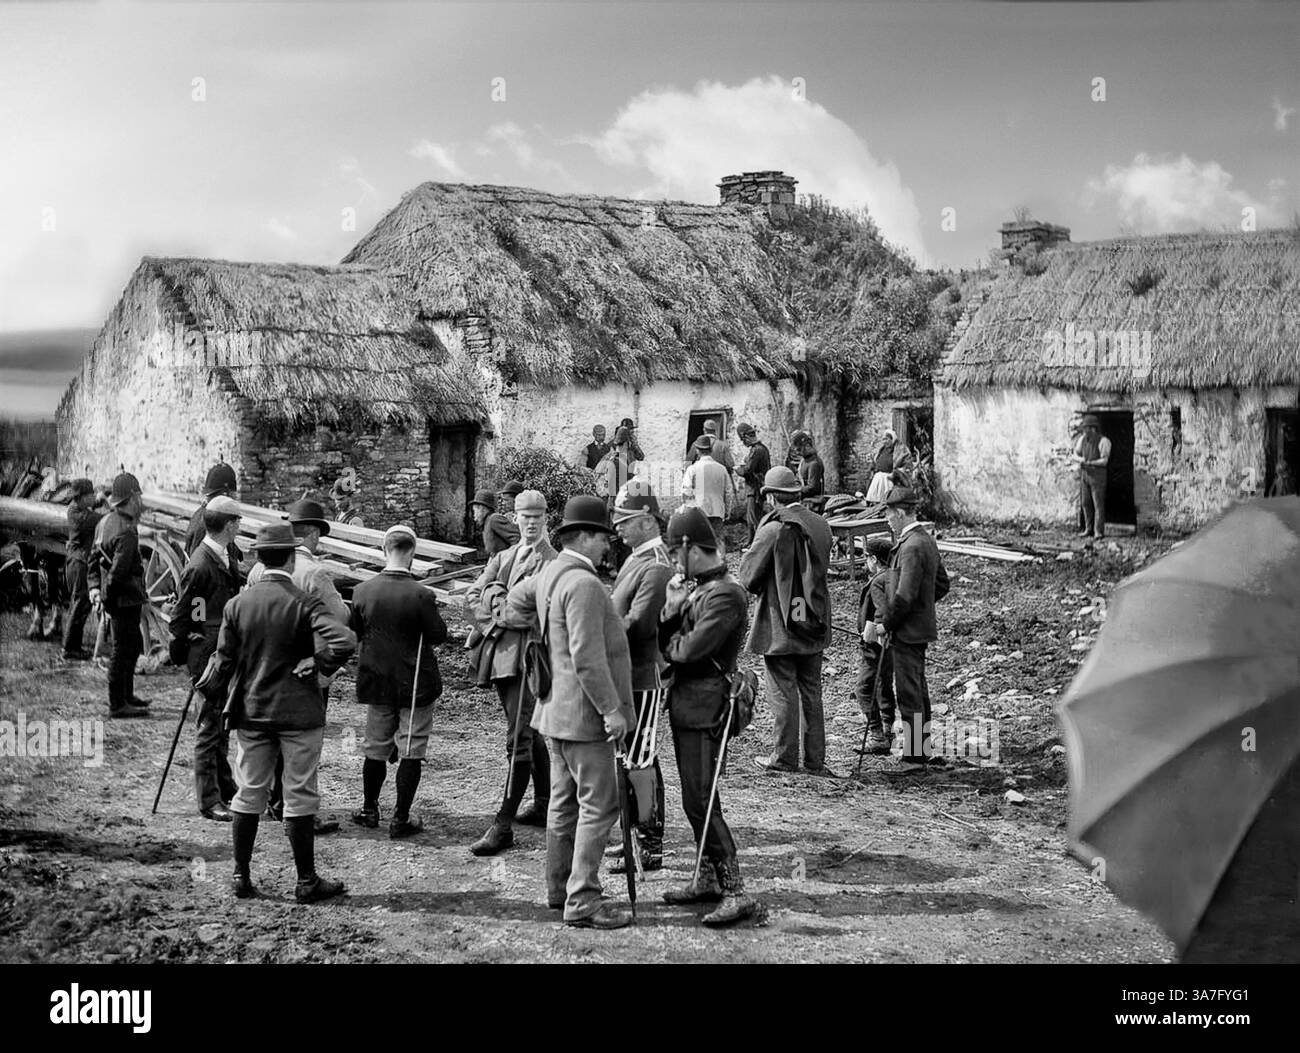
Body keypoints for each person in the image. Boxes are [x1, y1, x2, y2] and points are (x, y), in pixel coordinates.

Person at [200, 522, 356, 902]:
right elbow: (345, 639)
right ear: (289, 557)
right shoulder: (304, 602)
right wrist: (317, 662)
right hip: (299, 713)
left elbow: (223, 661)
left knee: (249, 792)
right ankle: (306, 881)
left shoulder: (238, 605)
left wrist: (208, 690)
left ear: (258, 558)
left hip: (252, 712)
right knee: (299, 793)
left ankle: (240, 876)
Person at [510, 495, 635, 929]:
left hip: (554, 712)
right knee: (599, 807)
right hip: (584, 718)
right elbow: (586, 656)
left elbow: (514, 605)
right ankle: (583, 900)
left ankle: (557, 890)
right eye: (603, 537)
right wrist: (612, 711)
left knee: (563, 807)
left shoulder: (550, 573)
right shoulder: (583, 584)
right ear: (584, 536)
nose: (607, 545)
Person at [658, 506, 757, 925]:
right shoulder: (700, 588)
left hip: (706, 705)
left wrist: (673, 635)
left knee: (700, 800)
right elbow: (673, 641)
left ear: (690, 548)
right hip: (688, 704)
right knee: (696, 798)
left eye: (674, 554)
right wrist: (671, 612)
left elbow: (688, 651)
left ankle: (736, 890)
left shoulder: (726, 594)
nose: (673, 564)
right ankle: (707, 876)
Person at [464, 490, 558, 855]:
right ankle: (545, 801)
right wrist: (497, 608)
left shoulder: (552, 562)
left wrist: (496, 601)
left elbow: (530, 613)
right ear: (514, 518)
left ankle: (502, 825)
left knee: (517, 737)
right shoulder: (503, 555)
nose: (530, 523)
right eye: (524, 516)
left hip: (529, 659)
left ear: (546, 519)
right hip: (499, 654)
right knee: (527, 729)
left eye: (537, 517)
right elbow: (473, 594)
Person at [247, 499, 348, 832]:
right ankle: (302, 811)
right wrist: (326, 664)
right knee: (304, 747)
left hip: (263, 670)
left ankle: (271, 803)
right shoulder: (315, 572)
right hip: (306, 673)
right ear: (314, 535)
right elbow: (340, 621)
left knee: (269, 740)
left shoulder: (258, 569)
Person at [348, 525, 447, 838]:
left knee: (375, 747)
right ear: (413, 554)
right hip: (415, 683)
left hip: (377, 682)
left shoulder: (362, 591)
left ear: (383, 550)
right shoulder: (422, 594)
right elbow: (438, 635)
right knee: (411, 748)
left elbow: (356, 632)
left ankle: (368, 809)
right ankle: (400, 818)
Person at [737, 466, 835, 776]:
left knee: (782, 690)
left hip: (783, 622)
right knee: (811, 690)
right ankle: (815, 760)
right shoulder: (821, 525)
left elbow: (748, 577)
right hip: (811, 617)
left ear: (770, 497)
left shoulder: (772, 529)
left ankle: (784, 758)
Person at [607, 480, 674, 874]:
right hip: (626, 675)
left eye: (627, 521)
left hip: (643, 677)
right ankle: (632, 834)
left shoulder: (657, 566)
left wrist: (598, 627)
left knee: (641, 762)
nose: (619, 528)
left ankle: (650, 845)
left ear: (648, 520)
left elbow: (639, 625)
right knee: (631, 758)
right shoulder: (636, 558)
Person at [170, 495, 243, 821]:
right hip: (207, 660)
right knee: (208, 729)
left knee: (221, 726)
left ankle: (226, 788)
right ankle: (208, 800)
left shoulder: (225, 555)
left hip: (223, 653)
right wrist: (193, 646)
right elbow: (181, 617)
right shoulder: (200, 565)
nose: (240, 526)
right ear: (229, 525)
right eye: (238, 521)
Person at [879, 480, 950, 775]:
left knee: (909, 693)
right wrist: (924, 606)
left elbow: (904, 596)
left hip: (907, 630)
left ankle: (914, 758)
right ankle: (920, 750)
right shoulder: (926, 540)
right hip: (918, 627)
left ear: (900, 513)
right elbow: (941, 585)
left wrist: (887, 624)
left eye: (889, 515)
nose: (887, 520)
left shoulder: (911, 546)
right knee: (918, 691)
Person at [88, 472, 150, 719]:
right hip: (124, 599)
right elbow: (119, 572)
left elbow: (93, 559)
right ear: (133, 497)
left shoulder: (105, 522)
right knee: (122, 649)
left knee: (131, 646)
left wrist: (95, 588)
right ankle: (117, 704)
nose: (140, 501)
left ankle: (127, 695)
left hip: (117, 597)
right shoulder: (127, 530)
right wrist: (108, 598)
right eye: (138, 497)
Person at [854, 535, 897, 756]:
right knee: (883, 685)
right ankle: (889, 729)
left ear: (874, 559)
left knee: (863, 689)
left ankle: (878, 735)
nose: (864, 563)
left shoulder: (878, 582)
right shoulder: (894, 577)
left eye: (865, 557)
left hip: (874, 645)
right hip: (889, 645)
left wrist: (871, 632)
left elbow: (881, 613)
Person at [61, 478, 102, 660]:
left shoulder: (75, 509)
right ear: (82, 497)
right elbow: (103, 519)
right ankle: (69, 648)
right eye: (91, 495)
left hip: (76, 562)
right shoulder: (84, 516)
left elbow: (94, 509)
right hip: (79, 565)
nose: (93, 497)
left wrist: (99, 500)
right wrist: (108, 503)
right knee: (79, 605)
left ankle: (73, 645)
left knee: (80, 605)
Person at [681, 435, 734, 549]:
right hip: (717, 510)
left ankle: (703, 564)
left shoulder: (693, 469)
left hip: (699, 510)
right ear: (710, 450)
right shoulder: (721, 469)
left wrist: (689, 509)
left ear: (697, 450)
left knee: (699, 541)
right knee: (718, 540)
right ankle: (720, 563)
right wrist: (727, 510)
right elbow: (729, 492)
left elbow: (686, 491)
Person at [185, 463, 243, 566]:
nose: (234, 498)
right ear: (225, 495)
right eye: (233, 495)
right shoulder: (212, 520)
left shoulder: (204, 512)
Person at [1072, 415, 1111, 540]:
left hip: (1098, 477)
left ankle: (1098, 532)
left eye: (1086, 428)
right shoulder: (1082, 440)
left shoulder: (1104, 441)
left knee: (1098, 504)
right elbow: (1075, 454)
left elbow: (1104, 461)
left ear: (1093, 428)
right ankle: (1088, 529)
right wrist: (1081, 460)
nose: (1084, 431)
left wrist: (1090, 462)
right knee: (1085, 503)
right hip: (1085, 476)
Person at [735, 423, 771, 545]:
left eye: (742, 440)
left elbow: (748, 470)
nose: (743, 443)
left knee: (754, 518)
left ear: (746, 437)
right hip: (758, 486)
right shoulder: (762, 448)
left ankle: (758, 543)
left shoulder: (756, 450)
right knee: (752, 516)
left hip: (755, 488)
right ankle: (751, 540)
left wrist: (737, 469)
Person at [595, 427, 637, 513]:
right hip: (616, 504)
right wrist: (611, 502)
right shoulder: (616, 461)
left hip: (621, 502)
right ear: (628, 443)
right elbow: (611, 482)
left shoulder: (619, 458)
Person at [470, 488, 519, 556]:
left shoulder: (494, 519)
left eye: (475, 511)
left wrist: (511, 559)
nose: (474, 515)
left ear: (482, 509)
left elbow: (516, 538)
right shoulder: (486, 522)